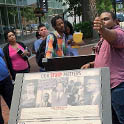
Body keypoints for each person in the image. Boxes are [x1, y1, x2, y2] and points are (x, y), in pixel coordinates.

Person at [81, 11, 124, 124]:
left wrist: (102, 29)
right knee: (111, 119)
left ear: (116, 21)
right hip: (106, 87)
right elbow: (105, 58)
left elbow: (114, 37)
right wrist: (91, 64)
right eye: (101, 20)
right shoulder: (103, 38)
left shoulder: (119, 33)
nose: (102, 21)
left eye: (106, 19)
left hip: (118, 86)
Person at [0, 48, 13, 124]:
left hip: (5, 78)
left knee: (12, 101)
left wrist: (7, 70)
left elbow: (3, 57)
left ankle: (16, 120)